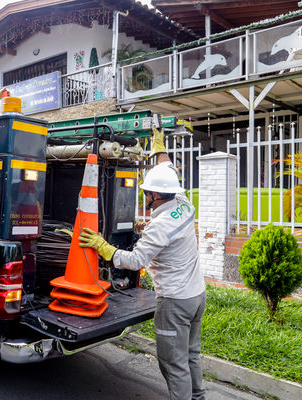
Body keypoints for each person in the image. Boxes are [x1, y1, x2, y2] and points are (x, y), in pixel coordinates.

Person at [78, 126, 206, 400]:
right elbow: (168, 168)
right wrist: (159, 145)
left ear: (156, 196)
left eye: (147, 192)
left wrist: (103, 246)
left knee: (173, 362)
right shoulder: (184, 203)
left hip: (175, 302)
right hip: (197, 296)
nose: (145, 196)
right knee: (191, 354)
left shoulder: (159, 226)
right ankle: (199, 397)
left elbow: (134, 261)